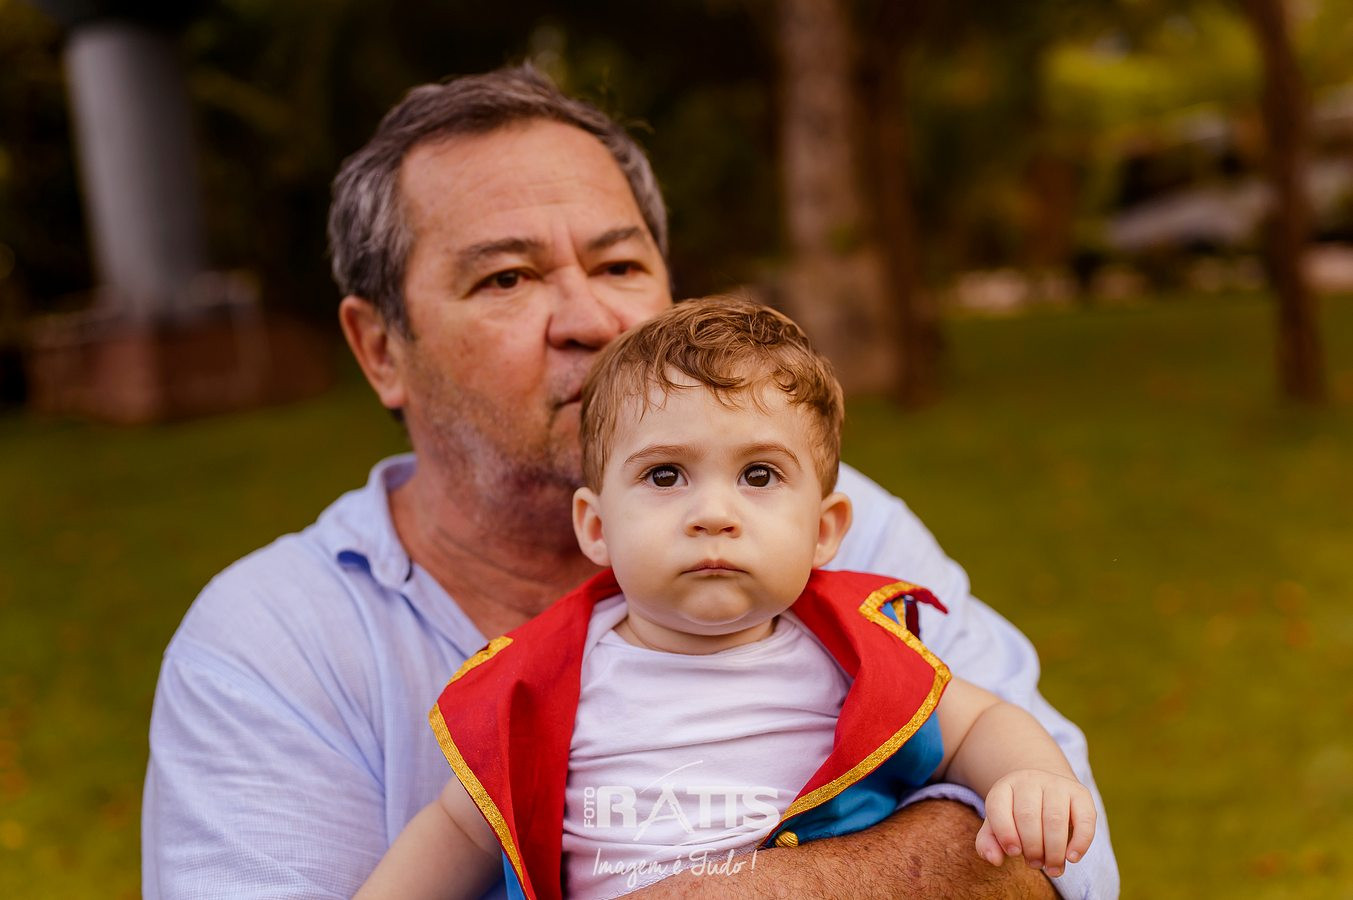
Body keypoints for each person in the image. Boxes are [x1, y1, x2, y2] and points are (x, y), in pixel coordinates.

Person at [142, 65, 1119, 898]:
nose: (592, 321)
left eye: (618, 265)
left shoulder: (832, 529)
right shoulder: (270, 645)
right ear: (379, 349)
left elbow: (1065, 859)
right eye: (506, 279)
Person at [355, 298, 1099, 900]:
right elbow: (459, 829)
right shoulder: (543, 683)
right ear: (596, 527)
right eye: (665, 476)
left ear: (824, 530)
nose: (713, 513)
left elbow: (978, 727)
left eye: (759, 476)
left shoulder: (853, 659)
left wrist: (1030, 777)